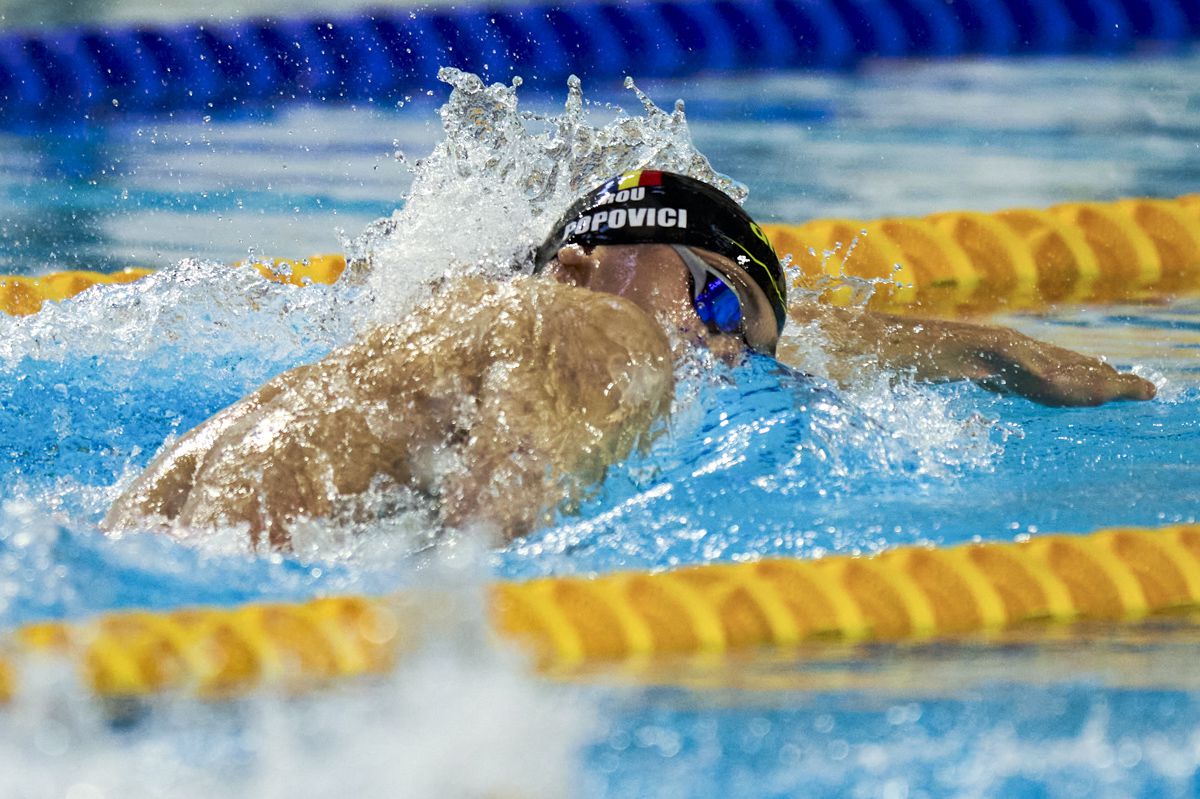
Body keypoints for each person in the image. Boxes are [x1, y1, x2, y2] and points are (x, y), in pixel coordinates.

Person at [103, 170, 1156, 550]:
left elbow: (821, 341)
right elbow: (486, 535)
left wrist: (1004, 352)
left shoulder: (440, 329)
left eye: (739, 336)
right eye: (708, 293)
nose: (711, 343)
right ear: (576, 266)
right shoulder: (600, 331)